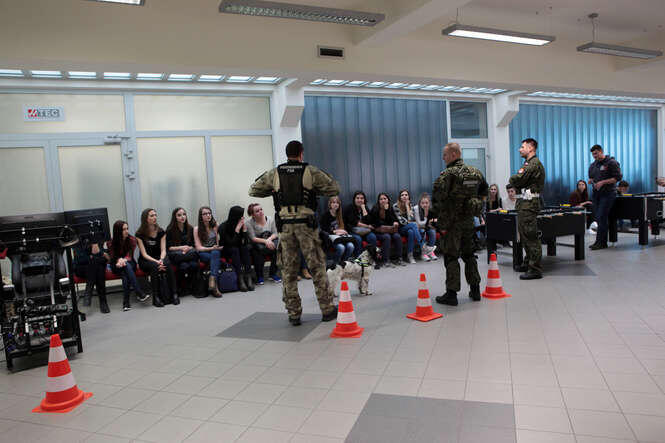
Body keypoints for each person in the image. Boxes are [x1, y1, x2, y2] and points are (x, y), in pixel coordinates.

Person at [249, 140, 339, 326]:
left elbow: (254, 190)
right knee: (317, 267)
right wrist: (314, 188)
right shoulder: (311, 171)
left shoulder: (275, 173)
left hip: (285, 228)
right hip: (307, 227)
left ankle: (294, 314)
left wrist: (275, 190)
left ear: (286, 153)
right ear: (301, 153)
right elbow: (334, 188)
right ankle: (327, 310)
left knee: (288, 271)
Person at [432, 142, 488, 306]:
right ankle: (475, 290)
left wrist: (437, 217)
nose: (443, 158)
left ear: (454, 154)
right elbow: (484, 192)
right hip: (468, 222)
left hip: (452, 224)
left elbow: (437, 198)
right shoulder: (475, 172)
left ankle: (451, 294)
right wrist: (474, 204)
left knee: (451, 256)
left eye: (445, 155)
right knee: (469, 255)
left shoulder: (448, 174)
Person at [509, 138, 546, 279]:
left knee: (530, 236)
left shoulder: (533, 164)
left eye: (522, 147)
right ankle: (528, 262)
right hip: (524, 203)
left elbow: (517, 179)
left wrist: (514, 179)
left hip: (529, 204)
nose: (520, 149)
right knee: (525, 235)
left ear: (531, 148)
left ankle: (535, 268)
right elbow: (519, 180)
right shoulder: (528, 164)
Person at [136, 208, 179, 307]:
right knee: (154, 266)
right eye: (152, 216)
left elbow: (163, 250)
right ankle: (156, 297)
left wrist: (161, 260)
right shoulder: (139, 234)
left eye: (155, 215)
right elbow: (144, 254)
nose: (155, 217)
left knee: (168, 264)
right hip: (146, 259)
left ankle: (174, 294)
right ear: (145, 218)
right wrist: (157, 262)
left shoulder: (161, 231)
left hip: (160, 256)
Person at [588, 144, 622, 250]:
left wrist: (603, 182)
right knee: (598, 217)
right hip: (596, 194)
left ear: (601, 151)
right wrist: (591, 181)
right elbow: (591, 177)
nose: (595, 156)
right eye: (593, 154)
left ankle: (601, 243)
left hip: (608, 194)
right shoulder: (593, 165)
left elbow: (617, 178)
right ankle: (599, 241)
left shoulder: (611, 163)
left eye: (596, 153)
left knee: (601, 216)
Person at [108, 220, 148, 311]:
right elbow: (113, 256)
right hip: (116, 265)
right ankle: (139, 292)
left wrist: (122, 260)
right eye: (124, 229)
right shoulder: (110, 242)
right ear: (117, 231)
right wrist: (119, 260)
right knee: (125, 273)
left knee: (126, 269)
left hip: (129, 262)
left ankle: (126, 302)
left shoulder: (132, 239)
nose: (127, 231)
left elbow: (129, 255)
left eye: (127, 228)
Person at [220, 206, 255, 292]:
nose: (242, 218)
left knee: (245, 248)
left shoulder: (241, 225)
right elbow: (230, 243)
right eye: (240, 216)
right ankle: (240, 278)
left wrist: (244, 231)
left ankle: (248, 276)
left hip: (239, 249)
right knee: (234, 249)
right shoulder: (223, 226)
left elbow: (245, 242)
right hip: (227, 250)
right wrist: (237, 230)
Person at [166, 207, 199, 297]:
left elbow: (193, 244)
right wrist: (182, 248)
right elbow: (169, 247)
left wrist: (187, 248)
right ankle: (182, 288)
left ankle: (193, 287)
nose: (182, 217)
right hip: (177, 255)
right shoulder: (170, 229)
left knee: (194, 265)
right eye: (179, 215)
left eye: (184, 214)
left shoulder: (190, 228)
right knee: (183, 266)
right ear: (175, 217)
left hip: (188, 253)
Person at [246, 203, 281, 285]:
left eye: (261, 209)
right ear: (252, 215)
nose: (260, 212)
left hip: (270, 242)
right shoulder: (248, 223)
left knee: (277, 250)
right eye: (257, 211)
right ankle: (259, 276)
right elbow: (253, 238)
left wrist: (269, 240)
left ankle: (273, 274)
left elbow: (275, 233)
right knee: (256, 253)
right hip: (258, 244)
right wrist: (265, 241)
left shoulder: (270, 219)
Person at [394, 189, 430, 264]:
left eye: (406, 195)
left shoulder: (410, 205)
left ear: (408, 197)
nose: (404, 196)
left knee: (411, 232)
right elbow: (402, 222)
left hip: (409, 228)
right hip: (400, 229)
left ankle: (410, 255)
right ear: (400, 197)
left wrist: (407, 206)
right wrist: (412, 223)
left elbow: (411, 219)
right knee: (413, 225)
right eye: (402, 195)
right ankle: (423, 246)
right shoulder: (396, 206)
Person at [73, 239, 110, 314]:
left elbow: (104, 257)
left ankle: (88, 293)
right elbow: (80, 260)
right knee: (97, 266)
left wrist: (95, 254)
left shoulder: (97, 238)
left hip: (94, 267)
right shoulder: (78, 240)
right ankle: (103, 302)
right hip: (82, 268)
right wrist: (93, 256)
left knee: (98, 267)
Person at [194, 206, 224, 298]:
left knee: (215, 253)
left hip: (215, 251)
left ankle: (213, 282)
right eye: (205, 214)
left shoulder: (215, 226)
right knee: (215, 256)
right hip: (204, 252)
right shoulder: (196, 229)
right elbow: (198, 247)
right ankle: (214, 284)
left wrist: (217, 246)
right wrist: (211, 248)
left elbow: (218, 243)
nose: (208, 215)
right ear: (201, 216)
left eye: (209, 213)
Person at [319, 196, 356, 268]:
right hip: (332, 239)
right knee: (341, 248)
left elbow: (346, 227)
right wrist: (335, 231)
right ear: (330, 204)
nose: (335, 204)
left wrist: (344, 231)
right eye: (333, 202)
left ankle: (343, 263)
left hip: (342, 237)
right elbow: (323, 229)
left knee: (351, 246)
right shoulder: (325, 215)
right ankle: (335, 265)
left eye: (337, 203)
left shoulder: (341, 214)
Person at [370, 193, 405, 267]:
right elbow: (376, 224)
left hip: (389, 230)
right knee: (387, 237)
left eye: (385, 199)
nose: (383, 200)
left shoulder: (390, 208)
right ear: (378, 201)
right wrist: (383, 210)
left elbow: (394, 220)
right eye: (381, 199)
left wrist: (395, 222)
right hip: (379, 231)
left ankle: (399, 258)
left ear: (388, 200)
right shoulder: (375, 208)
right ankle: (386, 260)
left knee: (397, 236)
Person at [343, 190, 378, 256]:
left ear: (364, 200)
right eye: (357, 198)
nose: (360, 200)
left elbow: (369, 221)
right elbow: (354, 222)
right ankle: (358, 258)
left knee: (372, 237)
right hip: (352, 230)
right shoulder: (349, 208)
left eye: (362, 198)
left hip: (364, 231)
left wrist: (364, 209)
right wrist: (368, 226)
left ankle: (372, 257)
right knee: (358, 239)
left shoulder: (365, 208)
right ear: (354, 199)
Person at [414, 192, 438, 261]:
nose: (425, 205)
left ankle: (430, 252)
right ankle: (423, 254)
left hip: (427, 227)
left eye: (426, 203)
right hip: (418, 228)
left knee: (432, 231)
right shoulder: (416, 208)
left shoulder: (431, 209)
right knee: (422, 231)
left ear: (429, 203)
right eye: (422, 203)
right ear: (420, 203)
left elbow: (434, 222)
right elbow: (419, 223)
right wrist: (429, 221)